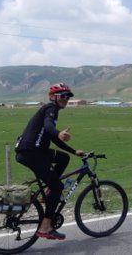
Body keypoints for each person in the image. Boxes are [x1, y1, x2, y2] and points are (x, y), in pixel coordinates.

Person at [15, 83, 84, 240]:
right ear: (53, 97)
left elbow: (53, 137)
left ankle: (48, 192)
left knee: (63, 158)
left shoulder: (52, 111)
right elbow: (49, 127)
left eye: (68, 97)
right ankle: (45, 228)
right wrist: (58, 133)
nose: (66, 99)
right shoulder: (50, 109)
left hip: (35, 151)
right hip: (32, 153)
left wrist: (74, 152)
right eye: (63, 96)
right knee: (58, 186)